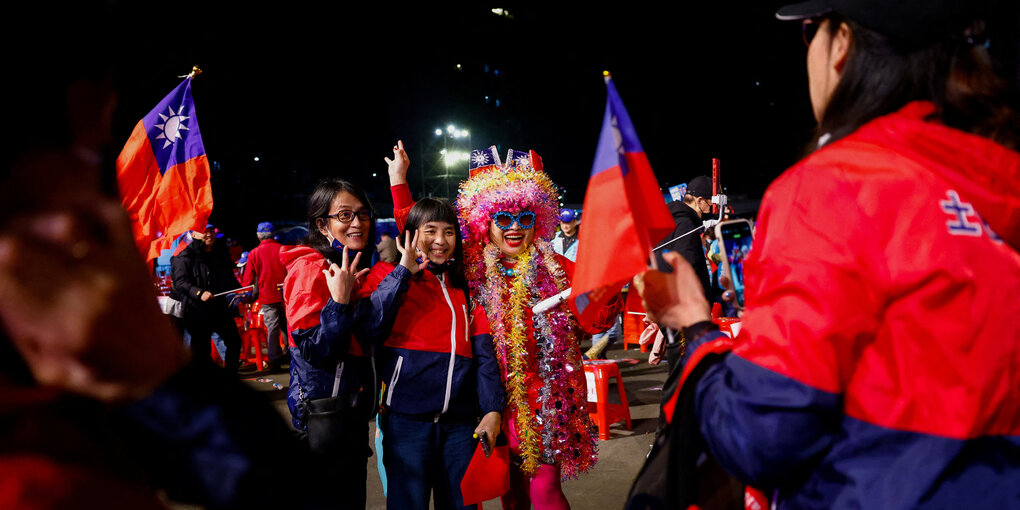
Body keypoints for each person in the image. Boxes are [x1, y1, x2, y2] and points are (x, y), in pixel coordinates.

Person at [632, 1, 1020, 508]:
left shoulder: (833, 187)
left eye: (809, 31)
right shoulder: (1000, 176)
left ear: (842, 45)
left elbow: (759, 436)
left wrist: (694, 326)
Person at [456, 145, 622, 510]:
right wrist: (399, 185)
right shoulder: (469, 273)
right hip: (491, 400)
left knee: (545, 488)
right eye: (502, 217)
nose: (515, 228)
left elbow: (596, 319)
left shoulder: (557, 267)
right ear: (485, 221)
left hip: (548, 397)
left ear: (538, 220)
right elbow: (422, 235)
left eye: (525, 218)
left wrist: (608, 283)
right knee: (511, 492)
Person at [363, 140, 504, 509]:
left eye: (449, 232)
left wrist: (492, 410)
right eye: (430, 231)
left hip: (460, 426)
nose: (440, 241)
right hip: (406, 424)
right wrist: (398, 181)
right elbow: (371, 326)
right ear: (412, 234)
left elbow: (486, 358)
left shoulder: (468, 291)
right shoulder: (389, 278)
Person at [280, 177, 409, 509]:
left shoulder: (345, 268)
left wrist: (401, 272)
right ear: (322, 224)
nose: (358, 222)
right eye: (345, 215)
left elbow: (371, 332)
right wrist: (338, 302)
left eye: (363, 213)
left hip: (347, 416)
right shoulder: (310, 268)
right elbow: (316, 351)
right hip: (323, 420)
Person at [171, 223, 248, 372]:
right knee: (201, 349)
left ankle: (230, 375)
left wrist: (240, 291)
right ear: (193, 235)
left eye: (211, 231)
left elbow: (229, 277)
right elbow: (180, 281)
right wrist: (199, 293)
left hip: (220, 307)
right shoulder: (185, 253)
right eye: (204, 232)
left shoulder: (220, 252)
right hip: (196, 309)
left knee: (234, 342)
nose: (209, 234)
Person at [241, 221, 290, 371]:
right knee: (288, 326)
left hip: (267, 297)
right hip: (286, 295)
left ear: (258, 236)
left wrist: (246, 297)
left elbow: (248, 280)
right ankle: (291, 355)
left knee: (273, 328)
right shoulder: (283, 249)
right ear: (274, 234)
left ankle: (275, 361)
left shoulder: (254, 253)